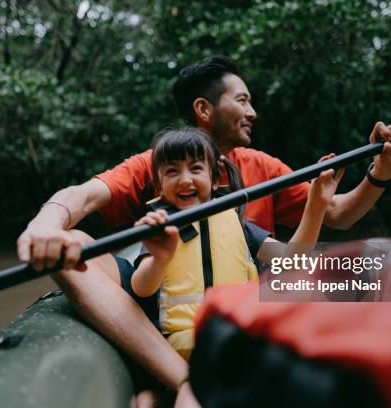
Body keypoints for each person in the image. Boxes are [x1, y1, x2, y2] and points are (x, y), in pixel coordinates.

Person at [16, 55, 391, 403]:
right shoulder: (156, 163)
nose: (253, 112)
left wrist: (381, 174)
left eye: (197, 171)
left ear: (218, 177)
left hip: (253, 301)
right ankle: (178, 378)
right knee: (77, 244)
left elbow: (334, 213)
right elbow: (82, 197)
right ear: (204, 109)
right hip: (173, 314)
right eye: (242, 100)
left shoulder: (260, 166)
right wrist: (44, 227)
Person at [128, 128, 343, 362]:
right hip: (188, 341)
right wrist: (160, 259)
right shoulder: (160, 231)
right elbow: (141, 287)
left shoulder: (236, 223)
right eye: (172, 171)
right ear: (159, 185)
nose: (185, 179)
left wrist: (317, 204)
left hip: (240, 333)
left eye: (196, 168)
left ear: (213, 179)